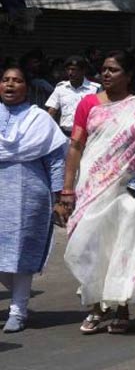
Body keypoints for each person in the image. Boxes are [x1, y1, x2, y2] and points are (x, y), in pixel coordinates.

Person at [60, 51, 135, 335]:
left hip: (133, 187)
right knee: (91, 244)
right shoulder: (89, 104)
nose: (106, 74)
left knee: (124, 247)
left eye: (114, 70)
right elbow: (76, 147)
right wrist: (67, 189)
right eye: (104, 70)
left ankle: (122, 308)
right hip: (93, 186)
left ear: (129, 75)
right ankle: (95, 306)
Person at [0, 67, 68, 333]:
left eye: (17, 80)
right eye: (5, 80)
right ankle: (18, 300)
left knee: (21, 253)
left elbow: (55, 161)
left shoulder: (39, 118)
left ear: (26, 87)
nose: (10, 84)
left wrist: (59, 196)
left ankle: (18, 310)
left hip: (28, 196)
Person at [45, 56, 100, 137]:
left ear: (83, 71)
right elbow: (52, 111)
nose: (70, 73)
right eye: (68, 69)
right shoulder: (61, 88)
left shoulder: (95, 89)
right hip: (66, 135)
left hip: (87, 136)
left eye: (74, 69)